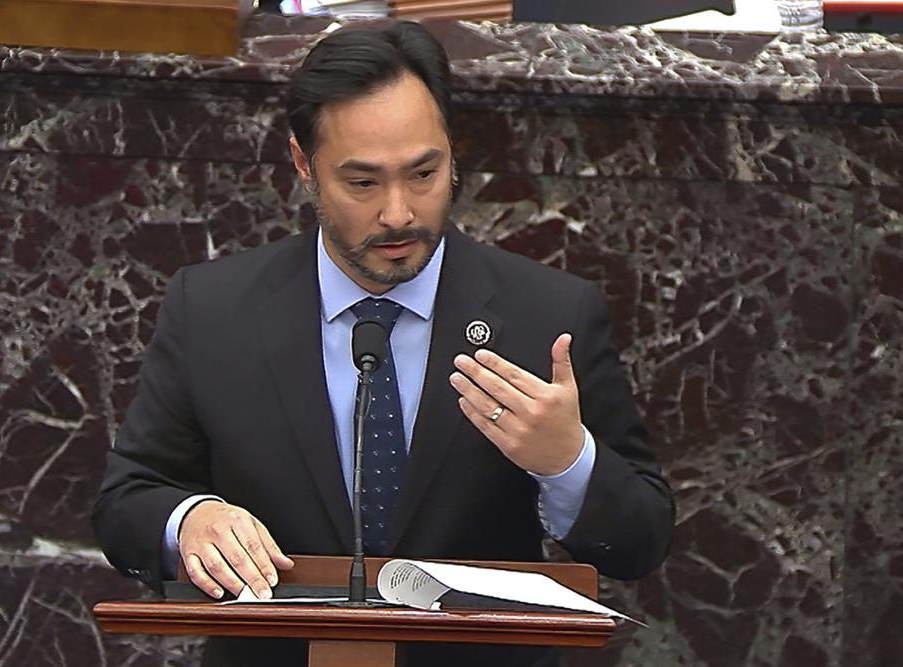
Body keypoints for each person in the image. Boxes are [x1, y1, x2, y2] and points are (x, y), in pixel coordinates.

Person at [92, 21, 674, 667]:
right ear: (303, 165)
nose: (399, 212)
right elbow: (127, 498)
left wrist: (567, 462)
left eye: (424, 173)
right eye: (363, 183)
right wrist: (190, 519)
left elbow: (641, 539)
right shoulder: (214, 311)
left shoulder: (549, 314)